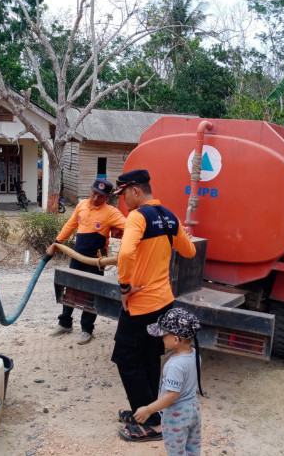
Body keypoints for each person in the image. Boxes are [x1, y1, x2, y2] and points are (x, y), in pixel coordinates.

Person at [110, 169, 196, 442]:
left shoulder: (137, 217)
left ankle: (151, 425)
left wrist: (125, 286)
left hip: (140, 305)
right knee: (148, 357)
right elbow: (189, 251)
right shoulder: (170, 217)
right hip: (163, 302)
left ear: (135, 190)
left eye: (122, 193)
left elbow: (124, 253)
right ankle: (148, 413)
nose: (122, 200)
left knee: (125, 358)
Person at [48, 178, 126, 345]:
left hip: (96, 260)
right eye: (94, 193)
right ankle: (65, 323)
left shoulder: (111, 212)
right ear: (90, 190)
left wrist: (122, 233)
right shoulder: (81, 205)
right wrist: (57, 242)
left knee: (92, 293)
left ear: (107, 197)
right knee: (70, 288)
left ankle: (87, 329)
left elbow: (129, 227)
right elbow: (70, 225)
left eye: (101, 196)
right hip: (77, 255)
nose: (96, 198)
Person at [133, 308, 204, 455]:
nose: (161, 338)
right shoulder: (195, 354)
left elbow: (172, 396)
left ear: (176, 339)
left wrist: (148, 410)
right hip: (193, 408)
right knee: (192, 448)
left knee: (176, 451)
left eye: (164, 335)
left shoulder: (175, 365)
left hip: (176, 414)